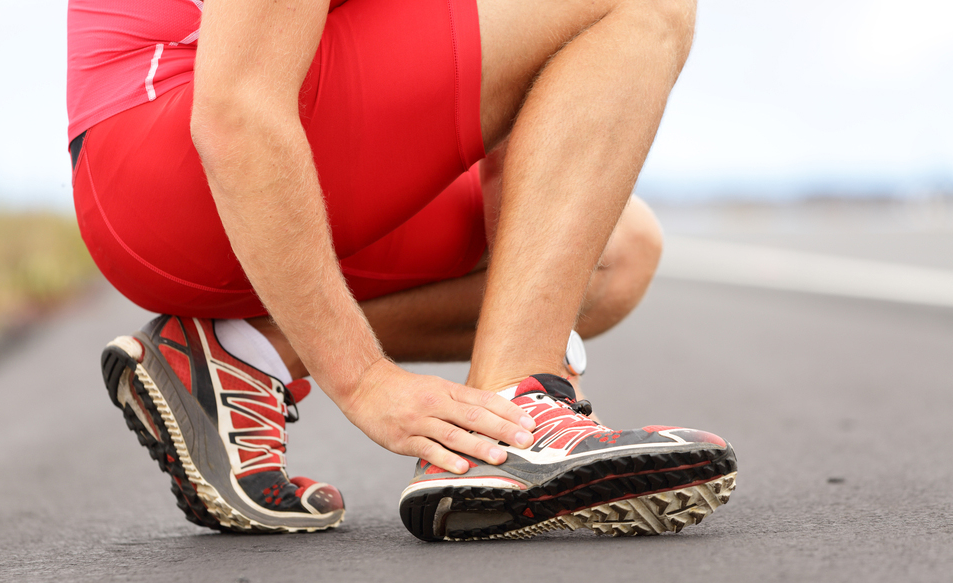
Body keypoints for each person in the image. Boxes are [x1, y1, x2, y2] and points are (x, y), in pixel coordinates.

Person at [68, 0, 736, 540]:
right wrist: (363, 381)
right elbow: (237, 110)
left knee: (613, 253)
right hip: (173, 161)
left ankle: (240, 353)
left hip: (184, 188)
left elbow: (519, 94)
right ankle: (511, 414)